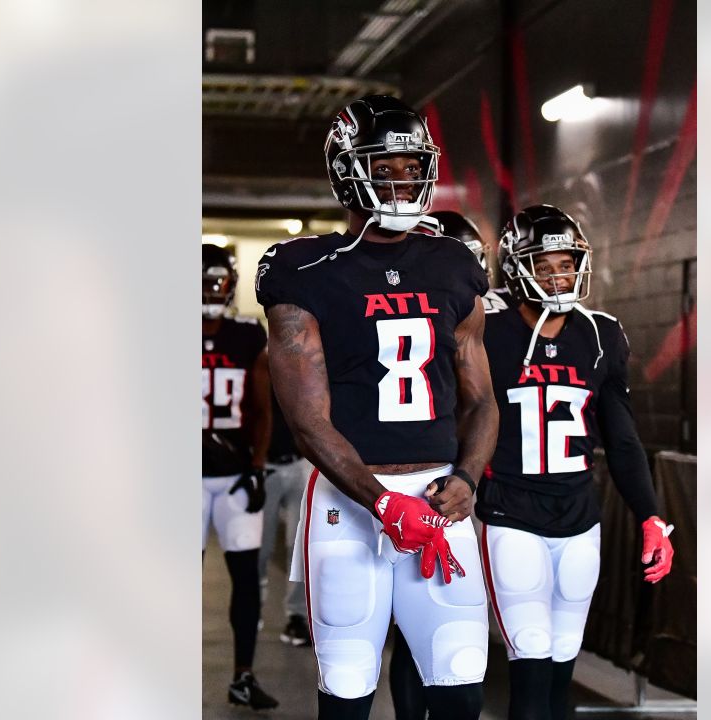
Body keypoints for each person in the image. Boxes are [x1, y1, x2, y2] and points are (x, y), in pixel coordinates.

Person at [254, 95, 499, 720]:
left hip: (440, 500)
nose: (404, 178)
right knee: (349, 682)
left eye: (412, 165)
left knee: (460, 677)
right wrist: (383, 501)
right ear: (347, 170)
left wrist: (468, 478)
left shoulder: (452, 263)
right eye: (384, 165)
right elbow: (308, 421)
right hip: (349, 502)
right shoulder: (304, 269)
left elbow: (481, 402)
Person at [477, 205, 676, 720]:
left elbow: (623, 437)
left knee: (562, 669)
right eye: (544, 265)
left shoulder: (601, 334)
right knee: (531, 660)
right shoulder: (489, 333)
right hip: (511, 514)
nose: (558, 275)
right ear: (518, 269)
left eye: (566, 263)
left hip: (580, 518)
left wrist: (651, 515)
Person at [201, 242, 279, 710]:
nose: (210, 290)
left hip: (233, 475)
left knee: (246, 579)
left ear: (230, 285)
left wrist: (257, 464)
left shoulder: (249, 334)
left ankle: (243, 675)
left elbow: (263, 409)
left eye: (216, 281)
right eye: (202, 282)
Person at [258, 395, 312, 646]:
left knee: (298, 546)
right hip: (263, 465)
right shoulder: (258, 364)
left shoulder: (300, 360)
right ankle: (252, 610)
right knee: (259, 548)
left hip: (299, 463)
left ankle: (297, 617)